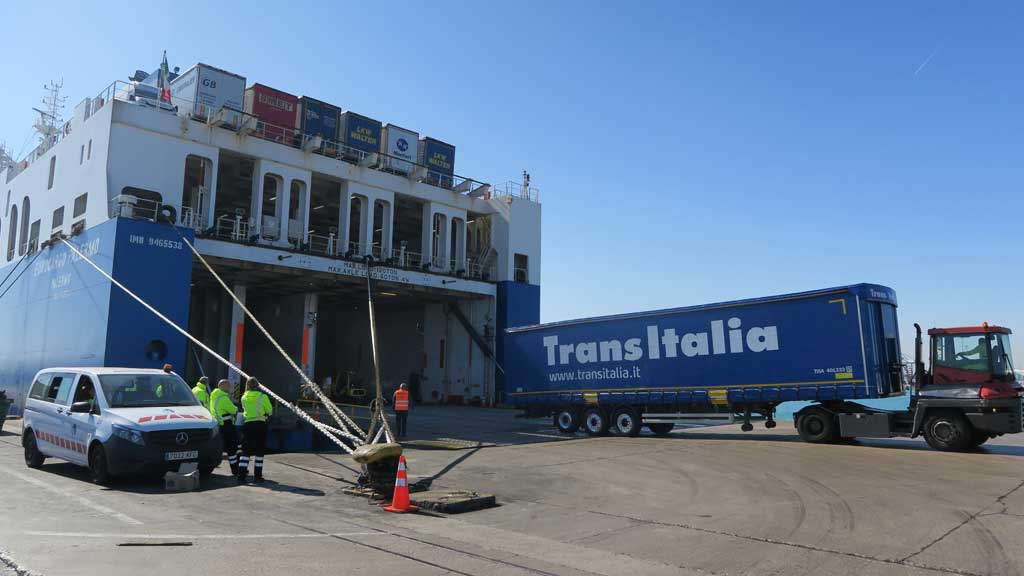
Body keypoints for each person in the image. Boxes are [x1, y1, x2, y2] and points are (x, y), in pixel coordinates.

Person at [238, 377, 273, 484]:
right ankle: (257, 476)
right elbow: (270, 411)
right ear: (258, 385)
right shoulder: (263, 396)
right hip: (260, 424)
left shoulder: (244, 397)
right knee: (260, 450)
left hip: (248, 424)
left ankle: (241, 476)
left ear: (247, 385)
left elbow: (245, 410)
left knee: (246, 450)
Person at [209, 379, 240, 475]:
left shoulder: (214, 396)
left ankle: (236, 468)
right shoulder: (223, 398)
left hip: (219, 425)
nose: (230, 388)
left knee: (226, 447)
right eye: (228, 386)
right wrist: (236, 408)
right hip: (227, 426)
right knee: (233, 447)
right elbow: (233, 410)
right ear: (222, 387)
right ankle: (236, 469)